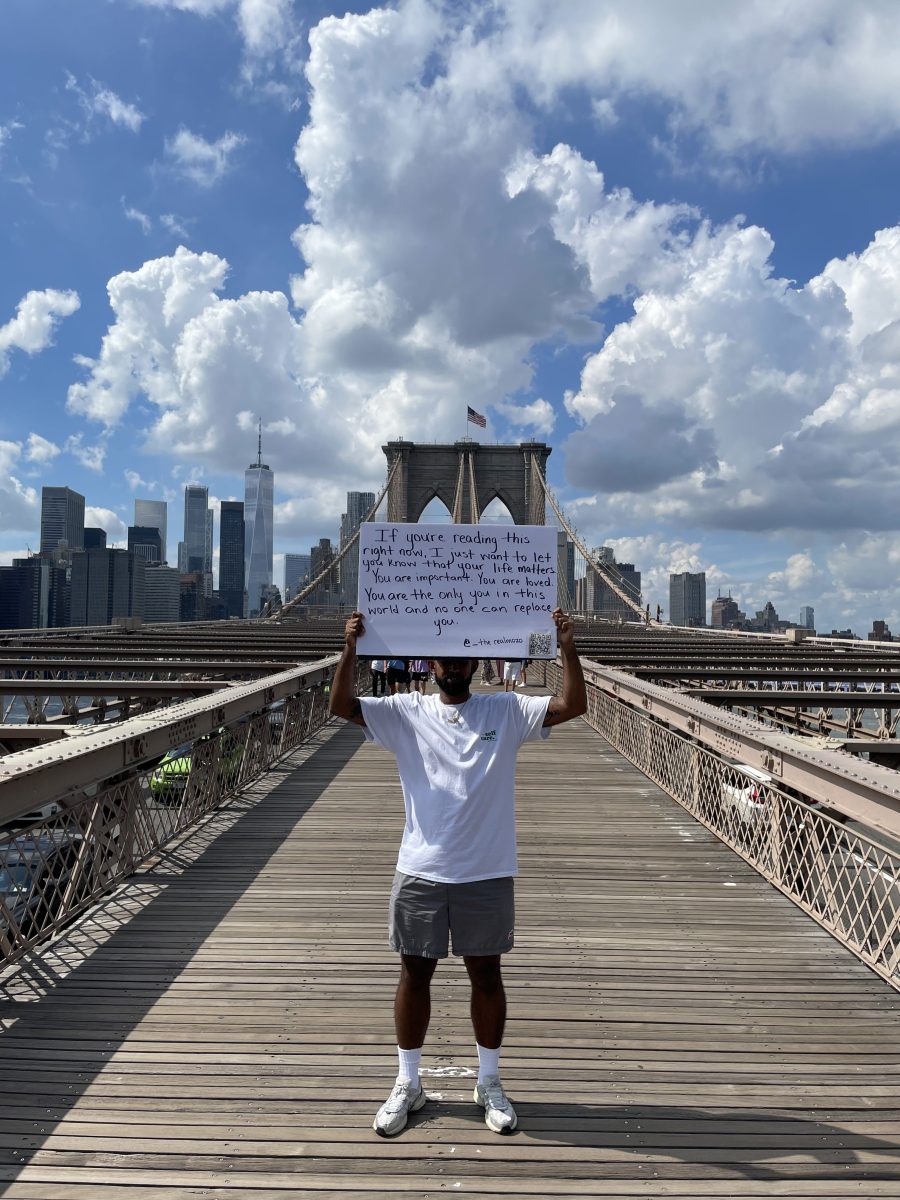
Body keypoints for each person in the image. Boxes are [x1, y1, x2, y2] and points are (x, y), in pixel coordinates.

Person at [329, 610, 587, 1137]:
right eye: (444, 658)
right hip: (421, 867)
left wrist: (565, 647)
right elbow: (339, 705)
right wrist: (349, 649)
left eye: (462, 658)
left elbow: (573, 705)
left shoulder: (507, 710)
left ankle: (489, 1082)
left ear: (475, 662)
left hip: (486, 870)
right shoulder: (405, 711)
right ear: (432, 662)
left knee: (486, 976)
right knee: (414, 974)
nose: (453, 666)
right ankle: (408, 1082)